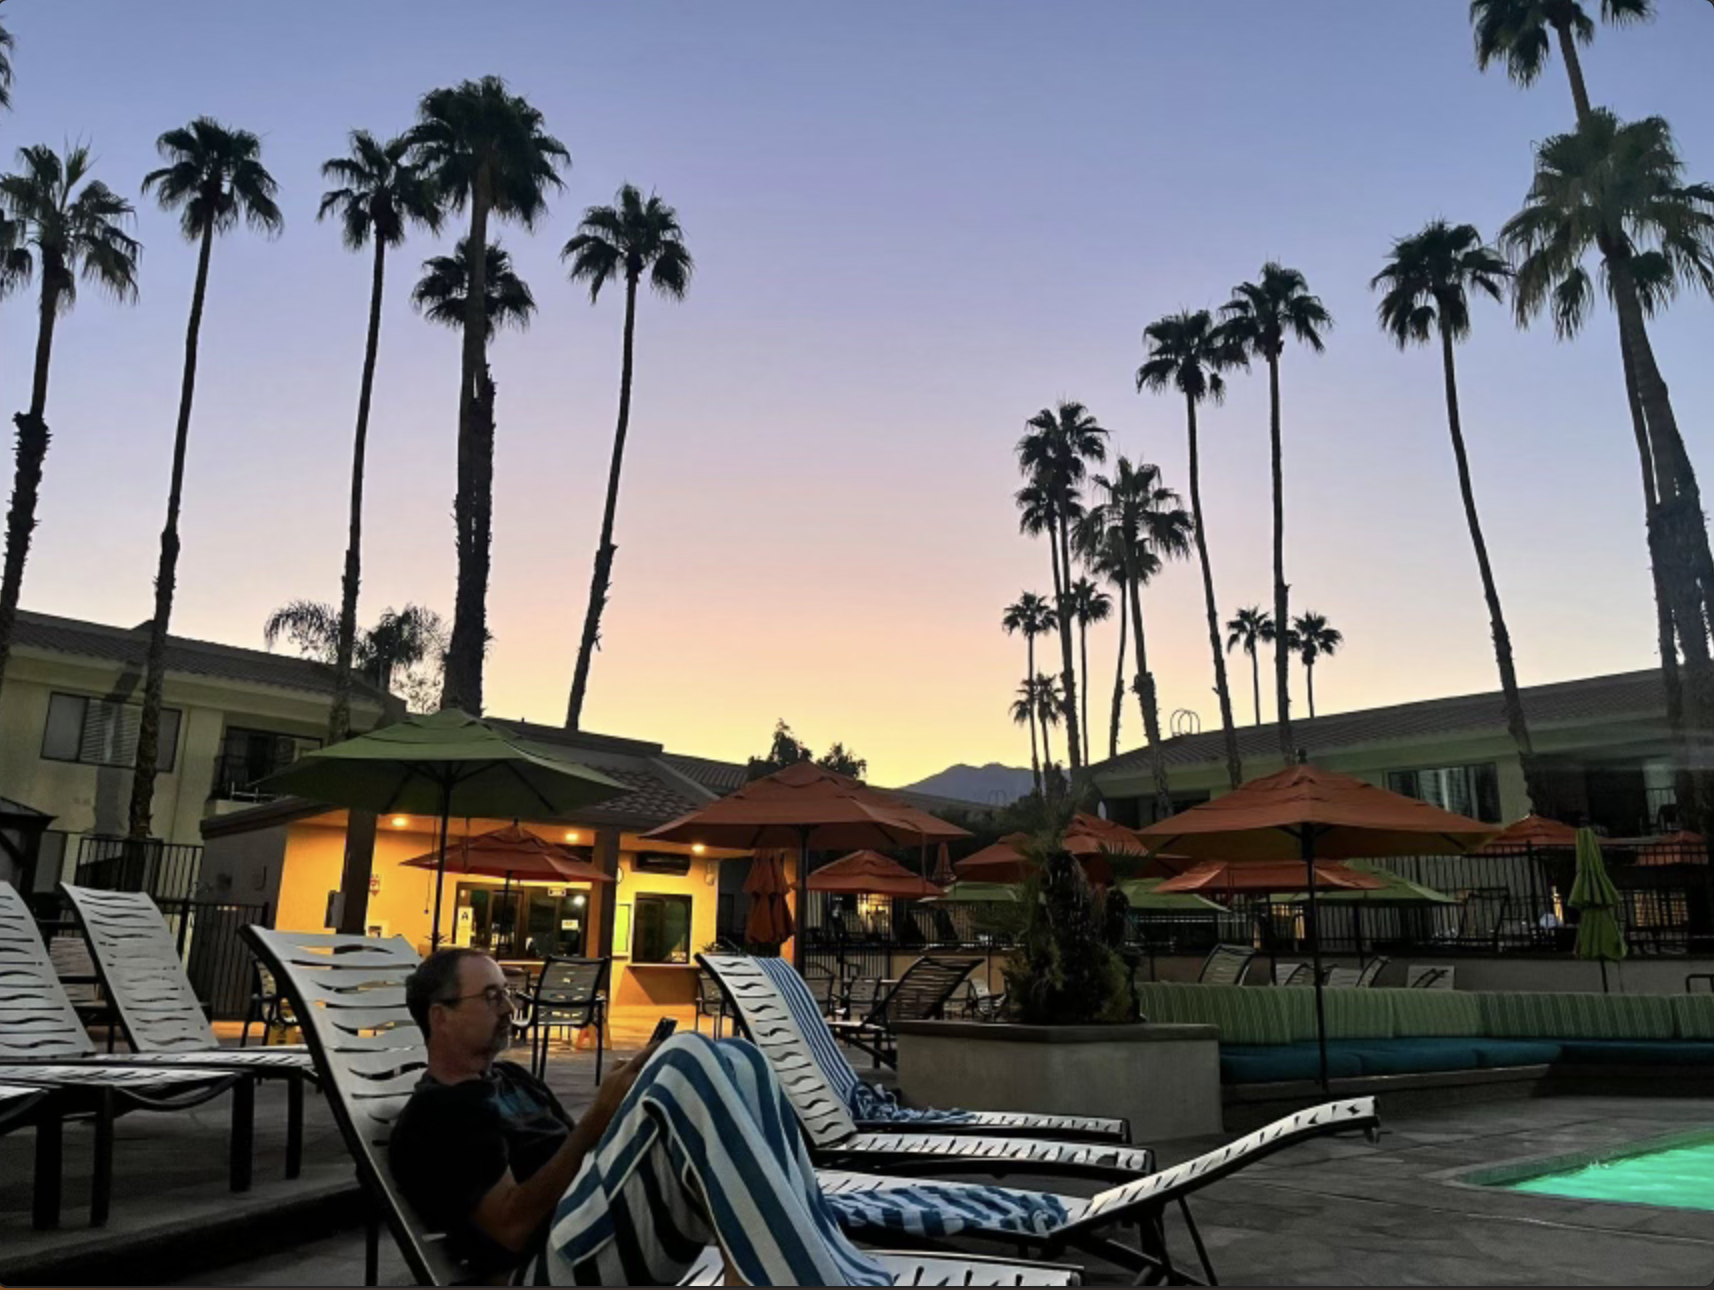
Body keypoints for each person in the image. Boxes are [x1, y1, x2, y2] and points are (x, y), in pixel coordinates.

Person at [388, 948, 893, 1287]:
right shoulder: (439, 1114)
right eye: (492, 996)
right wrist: (600, 1118)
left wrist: (627, 1108)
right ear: (440, 1015)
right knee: (686, 1060)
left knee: (742, 1059)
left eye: (508, 993)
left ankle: (806, 1263)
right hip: (551, 1264)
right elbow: (512, 1227)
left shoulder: (515, 1082)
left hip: (595, 1224)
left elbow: (580, 1159)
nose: (509, 1008)